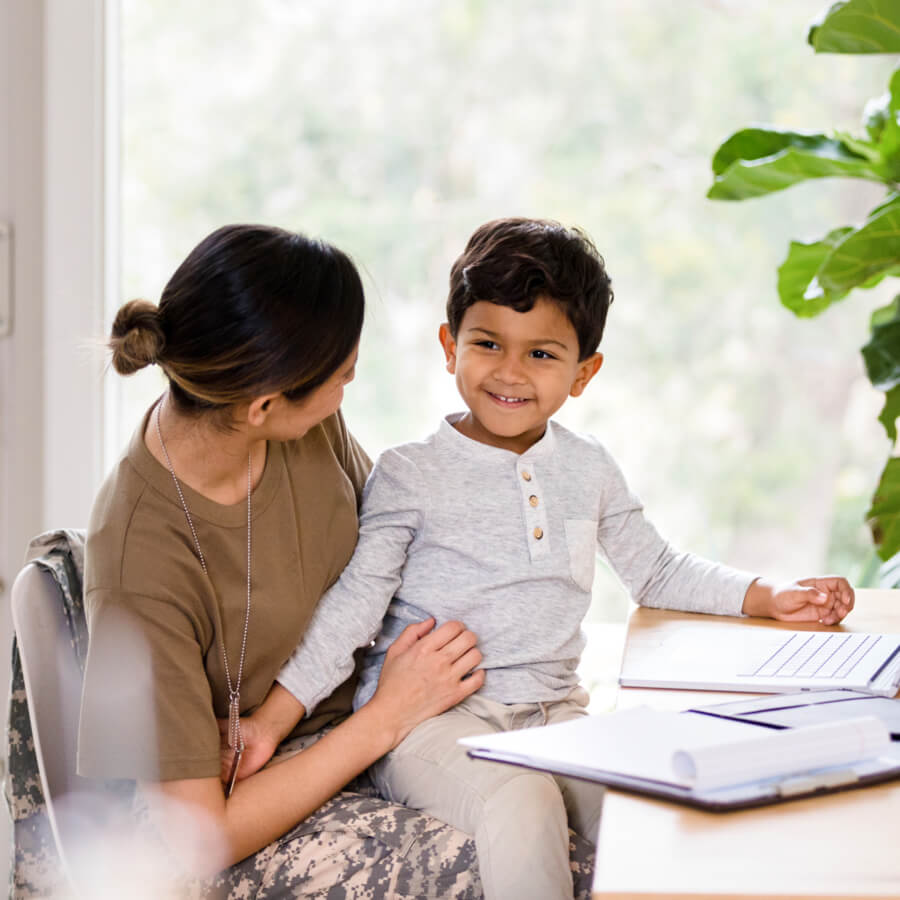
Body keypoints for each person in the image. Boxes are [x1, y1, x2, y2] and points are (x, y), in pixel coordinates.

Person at [233, 218, 856, 900]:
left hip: (555, 717)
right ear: (450, 347)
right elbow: (352, 608)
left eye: (542, 354)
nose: (509, 371)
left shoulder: (588, 469)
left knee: (648, 804)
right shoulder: (410, 473)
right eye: (489, 343)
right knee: (520, 800)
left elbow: (657, 571)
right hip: (432, 726)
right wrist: (270, 720)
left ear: (584, 373)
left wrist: (767, 594)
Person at [77, 223, 503, 898]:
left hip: (359, 722)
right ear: (264, 405)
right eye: (340, 379)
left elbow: (397, 548)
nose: (346, 391)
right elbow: (202, 838)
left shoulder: (297, 420)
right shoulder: (139, 567)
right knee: (529, 867)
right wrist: (387, 715)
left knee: (581, 819)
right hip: (237, 812)